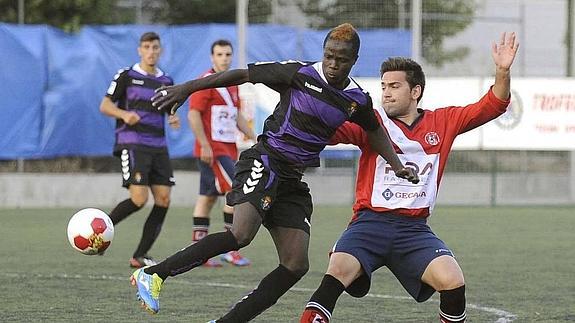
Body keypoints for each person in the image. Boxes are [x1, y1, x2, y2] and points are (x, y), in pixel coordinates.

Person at [131, 23, 419, 321]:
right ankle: (154, 274)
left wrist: (397, 165)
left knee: (295, 264)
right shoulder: (300, 74)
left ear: (354, 60)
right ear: (323, 52)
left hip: (292, 181)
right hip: (266, 160)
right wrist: (187, 88)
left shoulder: (356, 99)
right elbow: (241, 75)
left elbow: (374, 130)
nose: (333, 64)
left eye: (341, 59)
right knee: (241, 234)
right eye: (329, 55)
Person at [300, 32, 519, 323]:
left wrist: (502, 71)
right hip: (369, 225)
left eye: (394, 86)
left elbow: (493, 105)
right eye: (383, 86)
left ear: (415, 91)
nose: (386, 93)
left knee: (452, 280)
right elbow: (327, 131)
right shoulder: (372, 122)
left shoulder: (443, 122)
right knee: (337, 271)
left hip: (414, 231)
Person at [99, 31, 180, 268]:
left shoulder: (166, 81)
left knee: (163, 199)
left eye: (155, 47)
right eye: (146, 47)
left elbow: (169, 110)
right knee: (138, 199)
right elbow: (104, 105)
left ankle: (140, 255)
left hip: (158, 145)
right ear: (139, 50)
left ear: (160, 50)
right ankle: (99, 233)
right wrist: (124, 114)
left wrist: (173, 118)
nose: (151, 52)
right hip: (132, 142)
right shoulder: (126, 75)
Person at [188, 39, 255, 267]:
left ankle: (199, 252)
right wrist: (204, 144)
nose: (224, 58)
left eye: (227, 54)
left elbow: (235, 115)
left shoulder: (232, 82)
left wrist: (254, 137)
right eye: (219, 54)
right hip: (213, 151)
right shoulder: (206, 82)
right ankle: (230, 249)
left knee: (207, 198)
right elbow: (193, 114)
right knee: (237, 192)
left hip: (228, 149)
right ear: (212, 57)